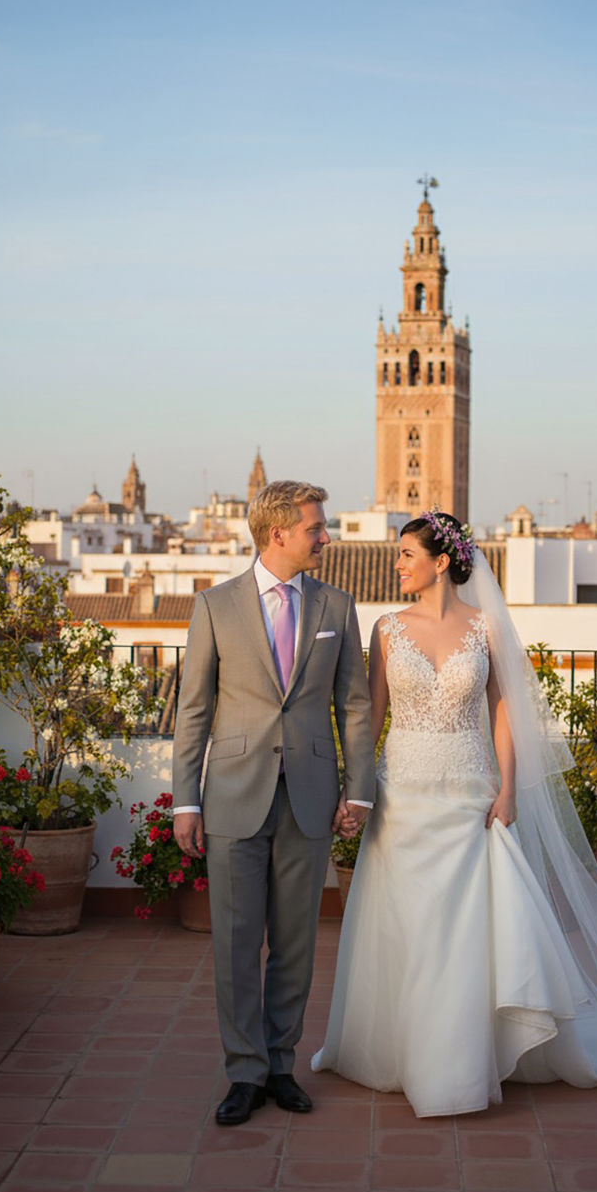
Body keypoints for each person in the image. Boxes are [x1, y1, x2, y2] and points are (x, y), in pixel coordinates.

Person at [312, 510, 597, 1118]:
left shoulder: (486, 627)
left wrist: (509, 789)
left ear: (440, 562)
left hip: (472, 791)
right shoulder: (387, 630)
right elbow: (371, 719)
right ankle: (396, 1049)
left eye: (405, 555)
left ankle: (461, 1057)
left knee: (467, 929)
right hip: (406, 796)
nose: (396, 565)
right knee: (406, 925)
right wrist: (360, 791)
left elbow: (503, 712)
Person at [173, 480, 375, 1126]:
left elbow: (355, 705)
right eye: (317, 526)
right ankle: (243, 1070)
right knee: (235, 942)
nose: (326, 535)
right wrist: (185, 801)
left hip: (309, 795)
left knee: (294, 941)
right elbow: (194, 709)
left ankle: (280, 1063)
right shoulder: (214, 606)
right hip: (233, 794)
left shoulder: (336, 605)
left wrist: (359, 787)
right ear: (278, 532)